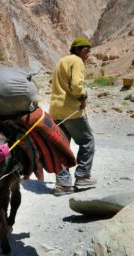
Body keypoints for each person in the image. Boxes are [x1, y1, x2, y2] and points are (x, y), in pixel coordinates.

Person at [50, 37, 96, 196]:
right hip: (71, 110)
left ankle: (62, 184)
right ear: (77, 50)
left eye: (89, 50)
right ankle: (82, 175)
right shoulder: (77, 61)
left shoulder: (61, 61)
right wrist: (82, 98)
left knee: (62, 146)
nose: (88, 53)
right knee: (87, 141)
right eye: (86, 49)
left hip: (56, 110)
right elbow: (77, 85)